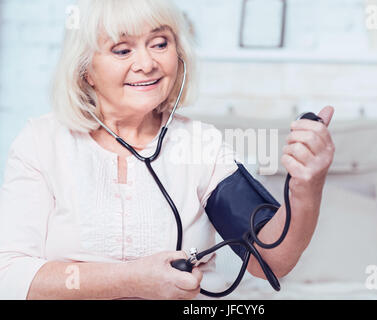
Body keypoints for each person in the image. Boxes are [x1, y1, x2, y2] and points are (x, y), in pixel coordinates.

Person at [0, 0, 335, 300]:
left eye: (160, 44)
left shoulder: (201, 145)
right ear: (86, 71)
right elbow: (9, 276)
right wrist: (131, 280)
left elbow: (270, 259)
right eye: (122, 50)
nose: (147, 63)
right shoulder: (41, 142)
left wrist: (305, 187)